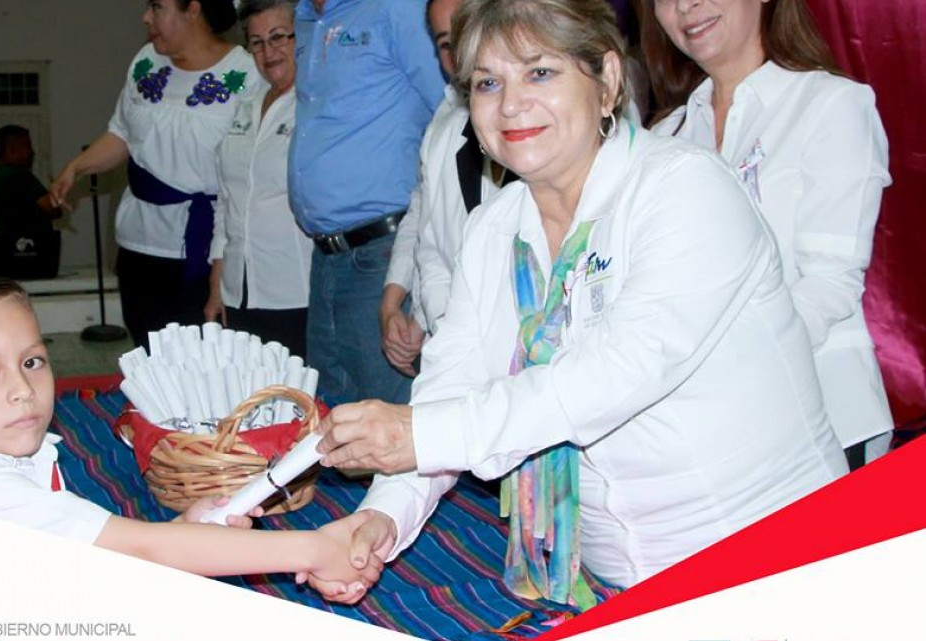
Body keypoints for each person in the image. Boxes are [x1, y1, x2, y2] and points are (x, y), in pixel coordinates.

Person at [302, 0, 847, 608]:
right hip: (607, 584)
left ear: (608, 80)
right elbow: (449, 386)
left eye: (540, 72)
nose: (511, 104)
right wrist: (381, 520)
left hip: (768, 565)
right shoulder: (494, 229)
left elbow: (613, 375)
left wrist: (421, 432)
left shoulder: (685, 190)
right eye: (487, 82)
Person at [0, 273, 381, 587]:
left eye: (32, 361)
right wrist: (315, 549)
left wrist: (181, 530)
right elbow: (144, 550)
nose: (22, 389)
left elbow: (107, 551)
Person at [640, 0, 894, 467]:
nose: (686, 6)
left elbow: (829, 285)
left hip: (824, 415)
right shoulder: (664, 136)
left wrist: (723, 363)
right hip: (706, 436)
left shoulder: (831, 104)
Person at [50, 0, 258, 352]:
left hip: (207, 252)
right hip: (140, 247)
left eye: (157, 7)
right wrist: (77, 166)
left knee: (202, 362)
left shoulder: (246, 73)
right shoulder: (145, 62)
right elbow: (122, 134)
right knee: (149, 360)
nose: (145, 17)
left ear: (193, 9)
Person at [289, 0, 445, 405]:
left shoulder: (395, 8)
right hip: (325, 254)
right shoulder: (306, 16)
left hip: (382, 251)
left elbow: (453, 112)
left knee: (388, 420)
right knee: (332, 414)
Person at [379, 0, 506, 377]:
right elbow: (427, 225)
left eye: (469, 33)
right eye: (447, 44)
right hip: (454, 338)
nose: (461, 53)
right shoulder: (444, 121)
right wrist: (399, 302)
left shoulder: (527, 121)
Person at [204, 0, 312, 357]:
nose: (269, 51)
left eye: (279, 37)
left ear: (302, 36)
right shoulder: (244, 106)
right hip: (239, 290)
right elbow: (227, 203)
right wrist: (217, 286)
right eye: (257, 42)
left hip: (296, 291)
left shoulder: (316, 106)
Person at [0, 125, 61, 235]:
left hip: (11, 247)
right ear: (11, 150)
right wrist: (56, 191)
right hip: (31, 247)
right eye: (27, 146)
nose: (32, 152)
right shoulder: (19, 176)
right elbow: (52, 209)